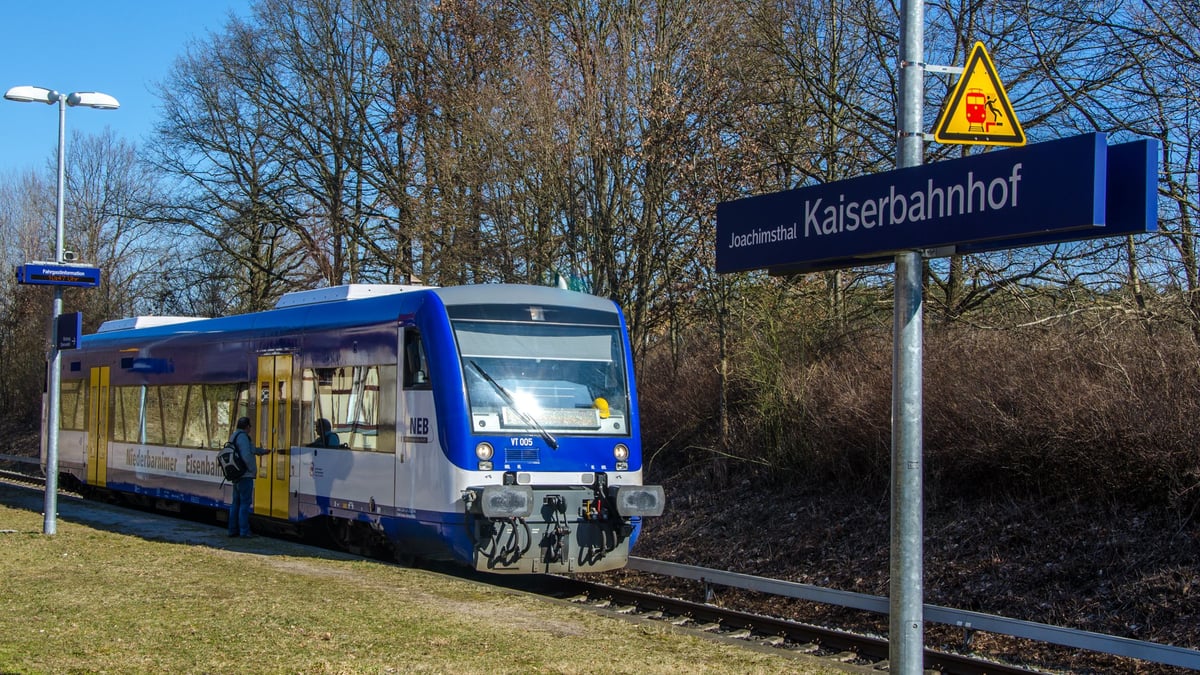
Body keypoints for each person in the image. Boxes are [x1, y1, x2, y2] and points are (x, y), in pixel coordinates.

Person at [227, 416, 269, 538]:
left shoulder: (234, 436)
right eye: (250, 426)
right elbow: (246, 454)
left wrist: (262, 451)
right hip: (244, 475)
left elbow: (252, 450)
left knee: (235, 503)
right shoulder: (244, 437)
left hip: (236, 475)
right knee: (245, 504)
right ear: (247, 427)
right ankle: (244, 531)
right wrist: (252, 470)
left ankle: (232, 530)